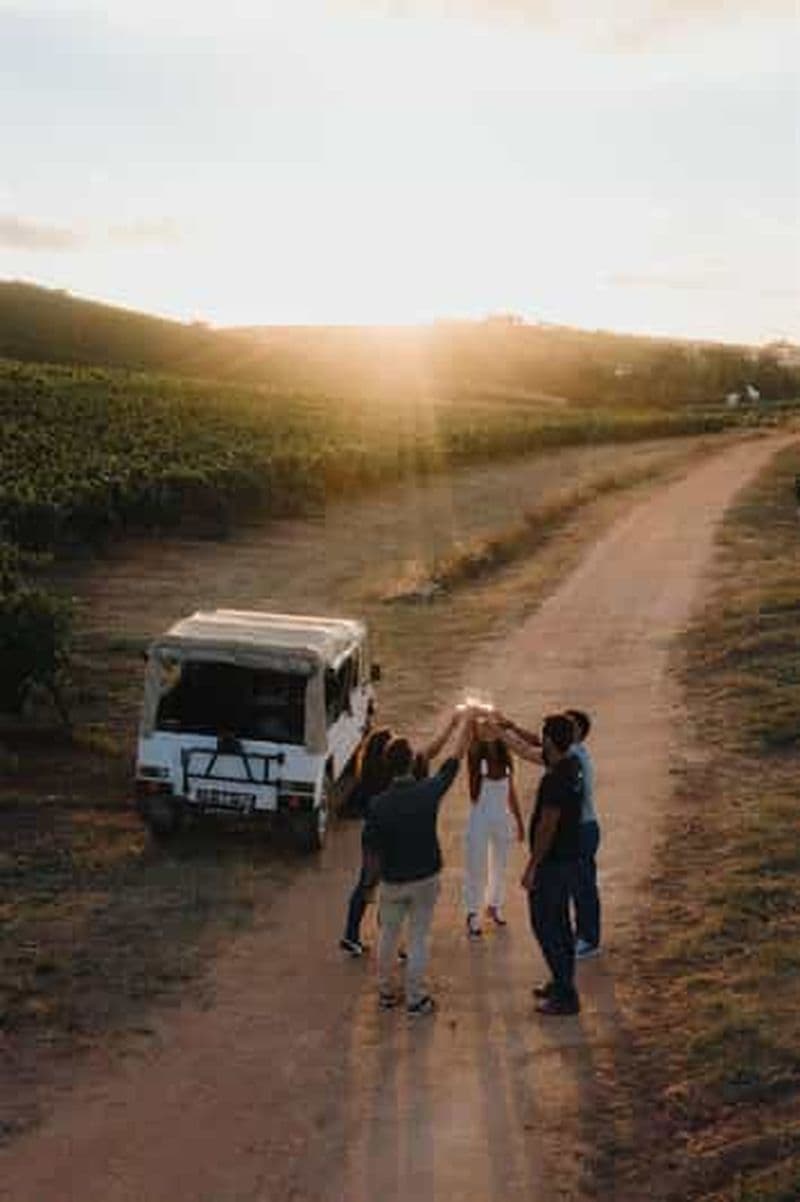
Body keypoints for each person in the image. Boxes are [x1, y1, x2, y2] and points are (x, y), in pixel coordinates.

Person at [363, 708, 474, 1015]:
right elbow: (454, 761)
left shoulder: (378, 805)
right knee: (418, 938)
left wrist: (369, 886)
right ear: (412, 762)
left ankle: (386, 992)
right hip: (425, 876)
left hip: (392, 880)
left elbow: (371, 851)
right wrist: (465, 723)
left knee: (387, 934)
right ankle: (415, 999)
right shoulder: (428, 792)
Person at [521, 713, 584, 1016]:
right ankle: (560, 982)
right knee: (560, 923)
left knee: (545, 924)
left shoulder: (554, 779)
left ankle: (566, 993)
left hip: (551, 864)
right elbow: (530, 748)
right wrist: (506, 726)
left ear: (549, 741)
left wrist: (533, 865)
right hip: (567, 859)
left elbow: (548, 825)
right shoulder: (572, 765)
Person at [339, 727, 393, 956]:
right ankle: (388, 940)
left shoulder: (366, 779)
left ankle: (351, 935)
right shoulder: (392, 777)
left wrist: (367, 814)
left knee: (366, 886)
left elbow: (346, 809)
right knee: (390, 889)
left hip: (371, 839)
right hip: (390, 839)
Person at [464, 730, 524, 937]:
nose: (487, 732)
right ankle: (473, 913)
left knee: (500, 864)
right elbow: (469, 746)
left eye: (491, 729)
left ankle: (494, 905)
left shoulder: (506, 761)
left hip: (502, 818)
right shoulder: (476, 760)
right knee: (476, 866)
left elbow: (511, 793)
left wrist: (519, 821)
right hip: (479, 818)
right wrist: (472, 728)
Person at [565, 708, 601, 959]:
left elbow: (535, 752)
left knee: (583, 887)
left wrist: (504, 732)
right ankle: (584, 935)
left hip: (581, 829)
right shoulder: (573, 751)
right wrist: (509, 727)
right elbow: (538, 744)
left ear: (578, 731)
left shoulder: (573, 754)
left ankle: (588, 939)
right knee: (579, 885)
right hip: (582, 828)